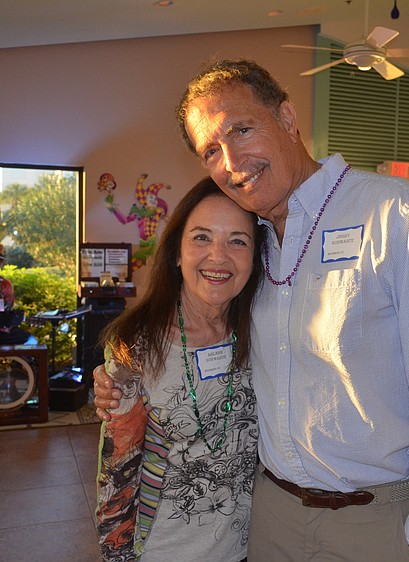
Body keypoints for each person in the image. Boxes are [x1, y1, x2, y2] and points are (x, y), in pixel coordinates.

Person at [96, 59, 409, 562]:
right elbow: (201, 324)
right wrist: (121, 375)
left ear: (286, 115)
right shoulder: (254, 242)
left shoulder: (392, 212)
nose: (232, 160)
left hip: (372, 518)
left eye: (242, 128)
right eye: (211, 150)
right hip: (268, 516)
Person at [95, 177, 263, 562]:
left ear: (254, 258)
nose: (218, 257)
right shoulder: (135, 344)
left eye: (237, 240)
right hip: (165, 550)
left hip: (248, 546)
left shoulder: (263, 332)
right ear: (176, 252)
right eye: (202, 238)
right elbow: (116, 471)